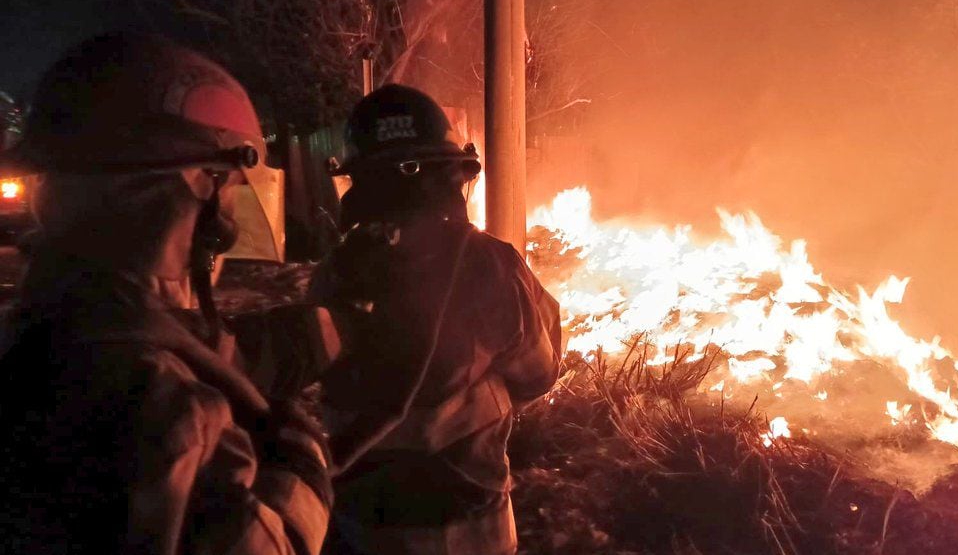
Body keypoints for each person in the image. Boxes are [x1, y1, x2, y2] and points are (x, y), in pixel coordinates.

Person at [0, 33, 338, 554]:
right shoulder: (167, 411)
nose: (230, 215)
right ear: (196, 186)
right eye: (229, 187)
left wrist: (255, 349)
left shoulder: (35, 336)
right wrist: (300, 465)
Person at [311, 84, 563, 555]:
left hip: (359, 524)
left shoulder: (335, 272)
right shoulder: (490, 264)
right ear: (451, 175)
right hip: (469, 531)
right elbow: (539, 372)